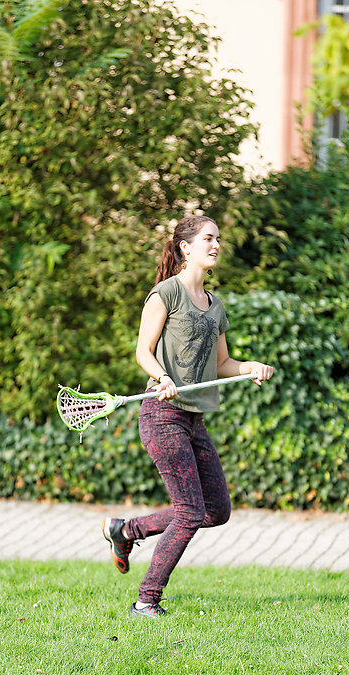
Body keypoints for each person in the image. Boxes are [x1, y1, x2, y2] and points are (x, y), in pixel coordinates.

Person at [102, 215, 274, 618]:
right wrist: (162, 377)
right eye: (208, 238)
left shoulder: (215, 305)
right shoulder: (166, 293)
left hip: (194, 419)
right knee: (189, 511)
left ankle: (126, 531)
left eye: (218, 239)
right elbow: (143, 351)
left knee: (216, 510)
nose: (216, 245)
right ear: (186, 247)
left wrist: (250, 366)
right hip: (162, 415)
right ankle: (146, 601)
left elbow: (223, 363)